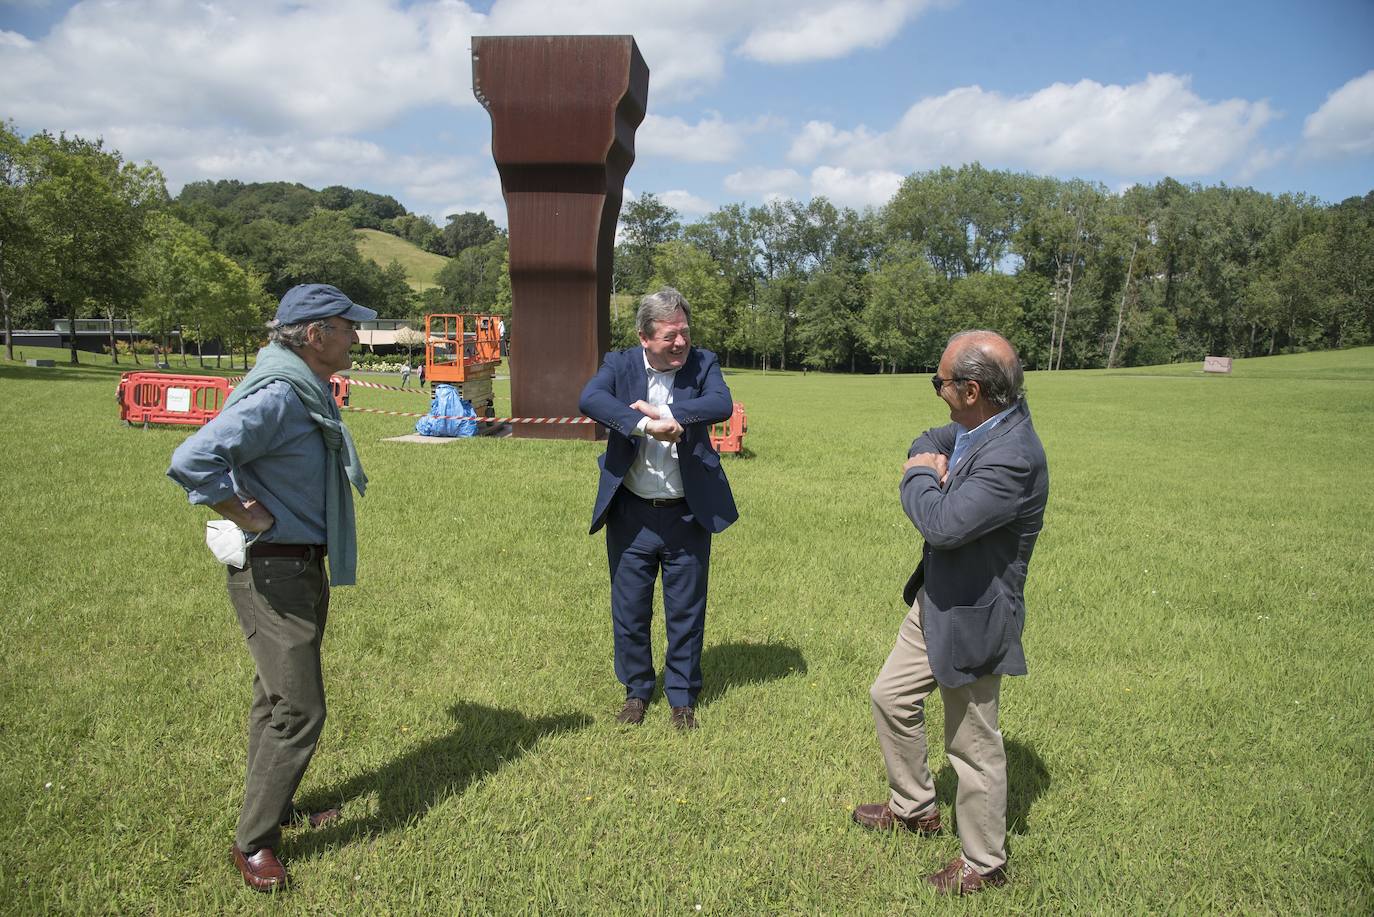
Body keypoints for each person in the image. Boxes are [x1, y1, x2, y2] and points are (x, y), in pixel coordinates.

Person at [167, 283, 373, 893]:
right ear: (315, 335)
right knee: (300, 709)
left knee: (274, 697)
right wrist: (240, 510)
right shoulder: (281, 395)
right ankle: (253, 843)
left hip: (298, 564)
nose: (356, 337)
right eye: (347, 327)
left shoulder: (303, 387)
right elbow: (193, 458)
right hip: (273, 567)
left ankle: (273, 809)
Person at [852, 330, 1049, 896]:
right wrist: (928, 455)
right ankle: (914, 808)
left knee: (972, 743)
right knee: (890, 696)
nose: (936, 390)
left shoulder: (1012, 456)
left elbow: (941, 523)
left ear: (971, 390)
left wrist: (917, 471)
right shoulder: (977, 424)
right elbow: (930, 437)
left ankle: (984, 864)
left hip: (974, 615)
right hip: (936, 599)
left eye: (939, 382)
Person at [578, 288, 737, 730]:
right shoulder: (620, 364)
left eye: (685, 332)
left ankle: (682, 698)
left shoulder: (703, 363)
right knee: (629, 610)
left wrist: (667, 412)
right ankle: (636, 692)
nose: (681, 342)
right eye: (670, 335)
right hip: (632, 513)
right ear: (644, 337)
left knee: (686, 611)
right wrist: (647, 424)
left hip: (688, 512)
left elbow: (720, 403)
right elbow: (590, 399)